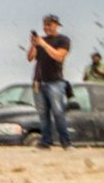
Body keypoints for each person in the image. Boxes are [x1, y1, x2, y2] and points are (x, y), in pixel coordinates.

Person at [26, 14, 73, 150]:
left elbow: (59, 57)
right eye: (45, 25)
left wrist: (43, 44)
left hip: (55, 82)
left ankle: (66, 142)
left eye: (50, 25)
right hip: (38, 82)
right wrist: (34, 44)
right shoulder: (41, 41)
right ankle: (45, 142)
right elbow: (30, 58)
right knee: (42, 114)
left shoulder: (63, 40)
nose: (47, 27)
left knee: (58, 112)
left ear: (56, 25)